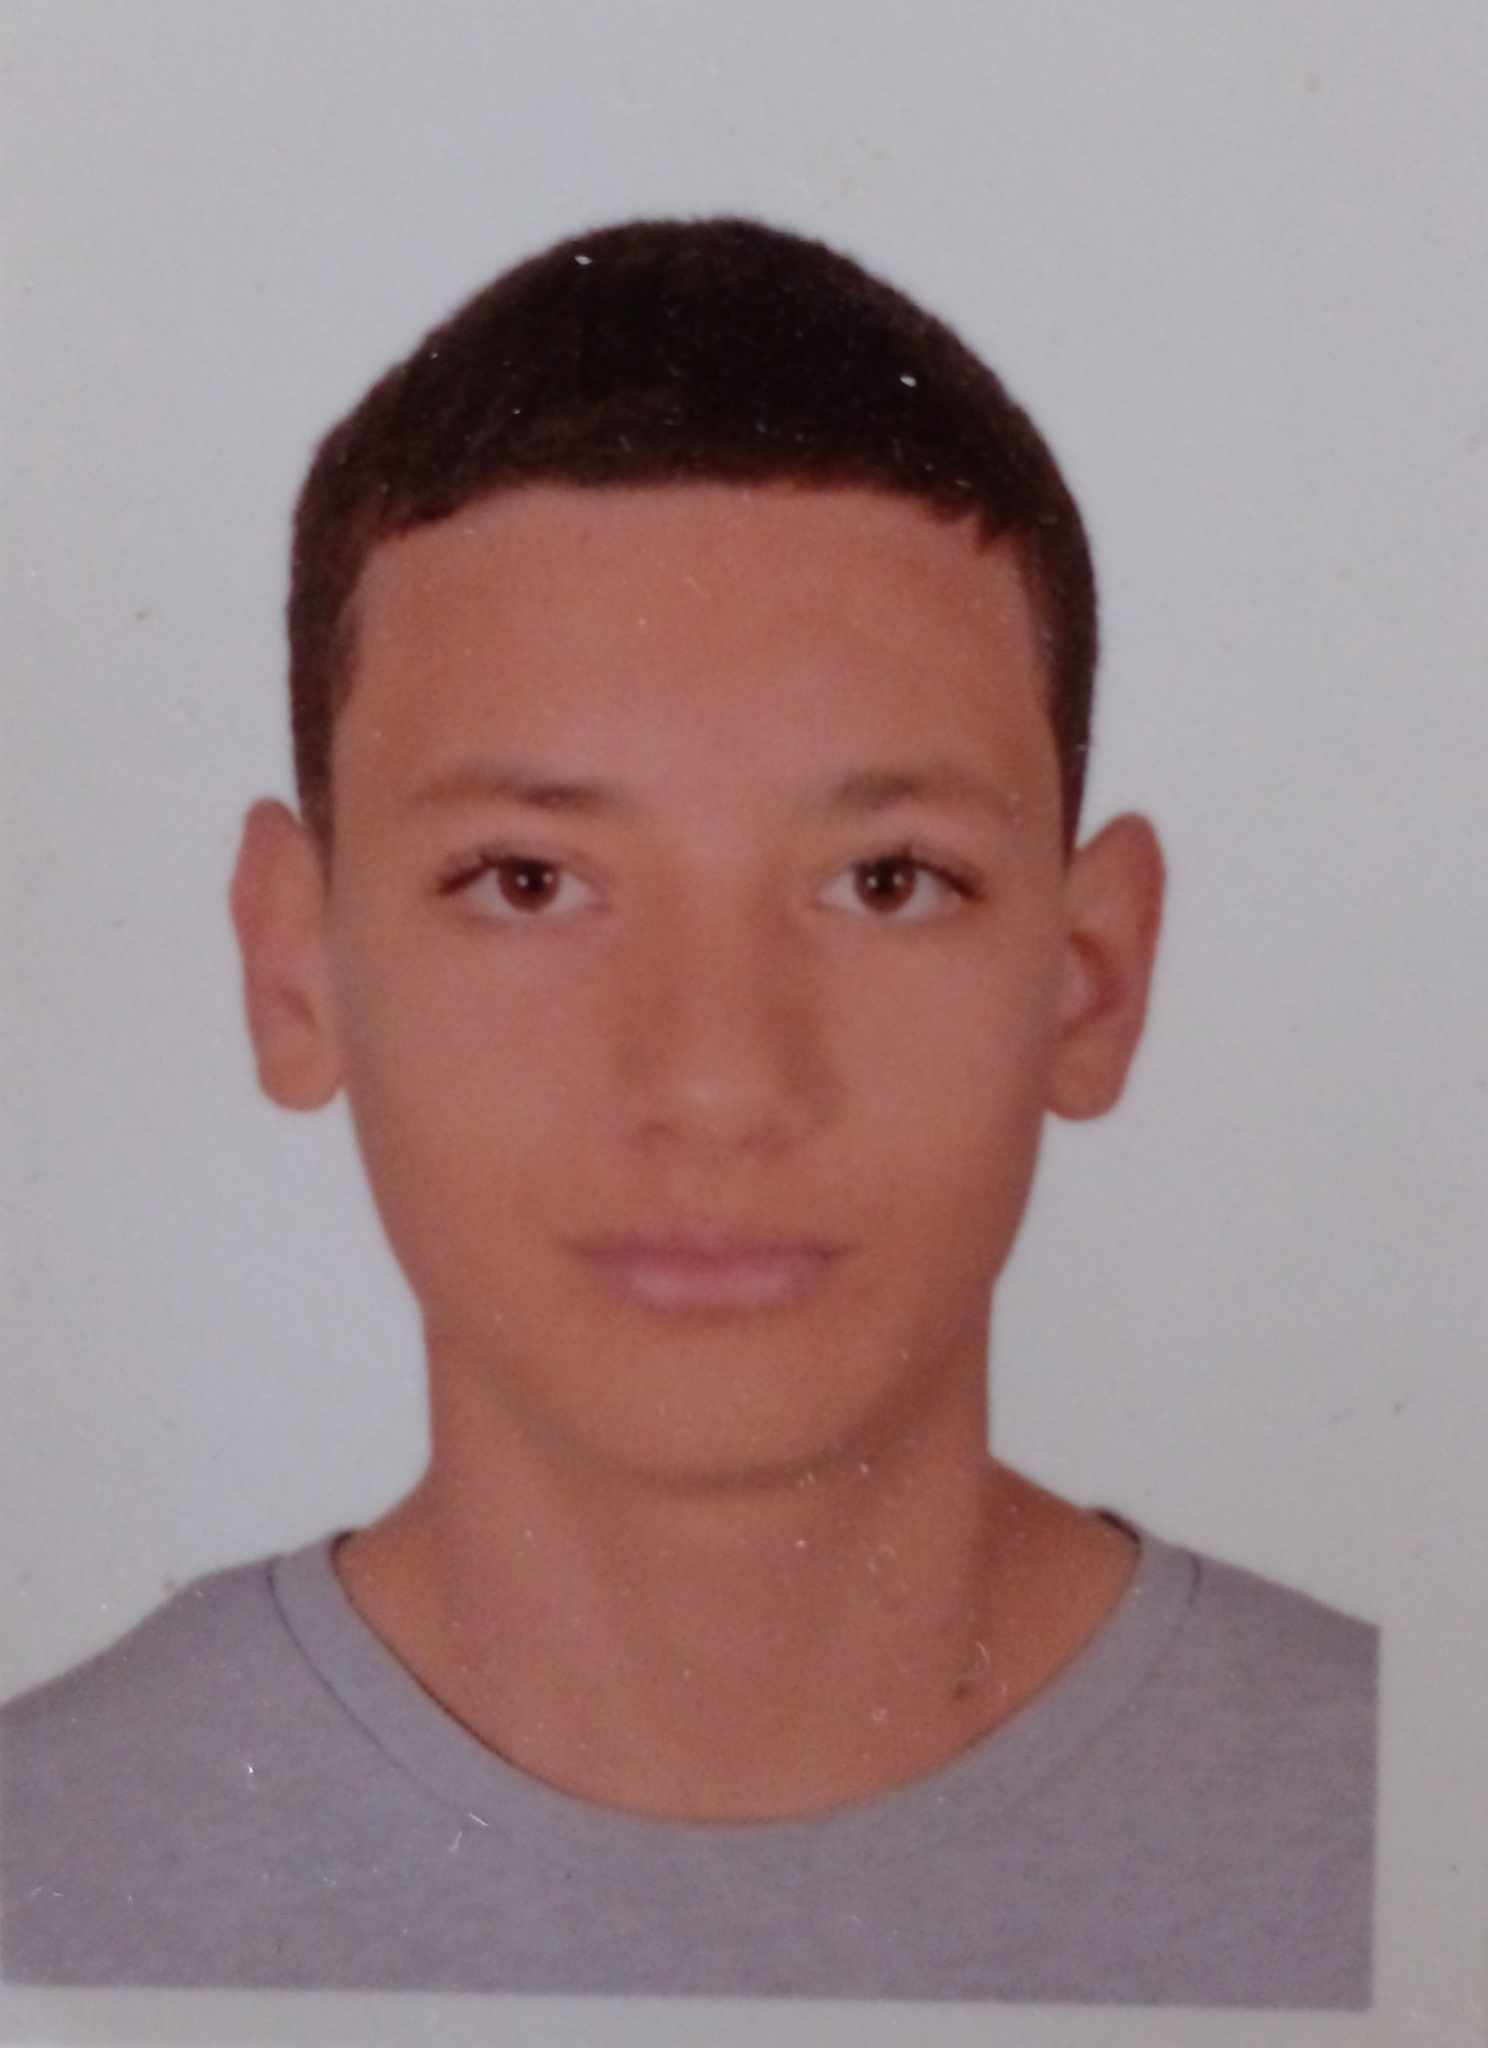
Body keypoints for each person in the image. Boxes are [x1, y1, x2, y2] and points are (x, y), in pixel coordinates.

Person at [0, 216, 1376, 2005]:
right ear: (294, 965)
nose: (720, 1081)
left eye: (886, 881)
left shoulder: (1417, 1833)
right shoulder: (43, 1876)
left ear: (1092, 977)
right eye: (527, 880)